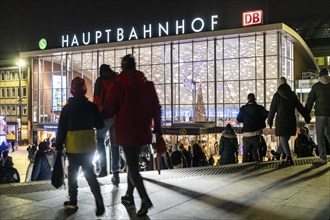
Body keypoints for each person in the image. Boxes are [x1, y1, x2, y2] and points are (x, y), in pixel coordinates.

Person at [102, 54, 161, 216]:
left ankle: (144, 198)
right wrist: (158, 129)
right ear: (134, 66)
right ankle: (129, 195)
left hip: (126, 130)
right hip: (143, 130)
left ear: (123, 67)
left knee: (133, 167)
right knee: (132, 162)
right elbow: (156, 108)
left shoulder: (118, 84)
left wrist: (98, 116)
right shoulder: (147, 84)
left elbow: (110, 109)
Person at [55, 76, 105, 216]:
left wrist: (58, 146)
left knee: (72, 174)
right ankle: (98, 199)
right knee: (90, 173)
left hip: (73, 146)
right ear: (85, 90)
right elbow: (100, 125)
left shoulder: (67, 108)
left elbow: (61, 129)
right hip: (88, 145)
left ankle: (73, 201)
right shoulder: (92, 107)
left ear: (71, 90)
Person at [268, 77, 311, 166]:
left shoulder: (277, 95)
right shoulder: (292, 94)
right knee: (285, 138)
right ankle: (278, 153)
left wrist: (270, 121)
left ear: (279, 84)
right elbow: (299, 107)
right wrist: (306, 116)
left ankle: (289, 158)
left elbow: (272, 109)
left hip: (281, 120)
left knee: (283, 138)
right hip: (291, 119)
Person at [93, 64, 121, 186]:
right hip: (117, 116)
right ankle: (115, 173)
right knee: (115, 144)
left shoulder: (100, 81)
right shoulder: (117, 80)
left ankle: (103, 168)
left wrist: (96, 116)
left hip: (105, 117)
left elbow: (97, 100)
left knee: (100, 140)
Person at [305, 68, 330, 165]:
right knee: (329, 134)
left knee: (319, 135)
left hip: (320, 114)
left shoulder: (316, 86)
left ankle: (322, 157)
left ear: (320, 76)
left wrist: (306, 113)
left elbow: (310, 100)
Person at [237, 93, 269, 162]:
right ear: (254, 99)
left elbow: (239, 119)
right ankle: (257, 166)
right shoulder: (259, 108)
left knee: (245, 152)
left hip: (246, 135)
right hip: (256, 134)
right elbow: (267, 114)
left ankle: (244, 167)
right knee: (255, 151)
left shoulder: (243, 109)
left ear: (248, 99)